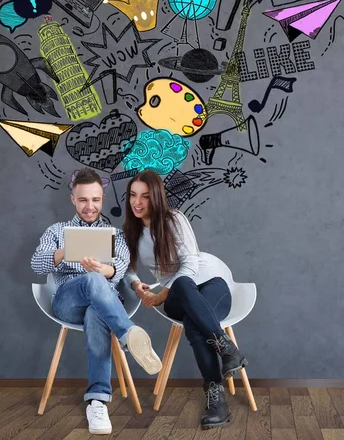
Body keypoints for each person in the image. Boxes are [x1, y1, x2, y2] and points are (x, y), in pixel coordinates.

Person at [31, 168, 162, 436]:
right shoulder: (57, 231)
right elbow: (36, 264)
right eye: (83, 200)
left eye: (95, 200)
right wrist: (69, 251)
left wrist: (105, 271)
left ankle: (97, 400)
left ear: (102, 198)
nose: (90, 207)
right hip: (67, 303)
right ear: (73, 200)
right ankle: (128, 334)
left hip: (102, 307)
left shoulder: (116, 234)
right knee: (90, 281)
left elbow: (122, 268)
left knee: (96, 310)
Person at [122, 169, 248, 430]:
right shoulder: (131, 231)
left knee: (193, 322)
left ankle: (217, 400)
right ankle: (228, 350)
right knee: (182, 291)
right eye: (133, 195)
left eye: (145, 196)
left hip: (211, 285)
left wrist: (161, 296)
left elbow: (190, 264)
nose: (137, 202)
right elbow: (126, 267)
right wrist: (136, 284)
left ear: (156, 197)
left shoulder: (173, 219)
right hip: (178, 296)